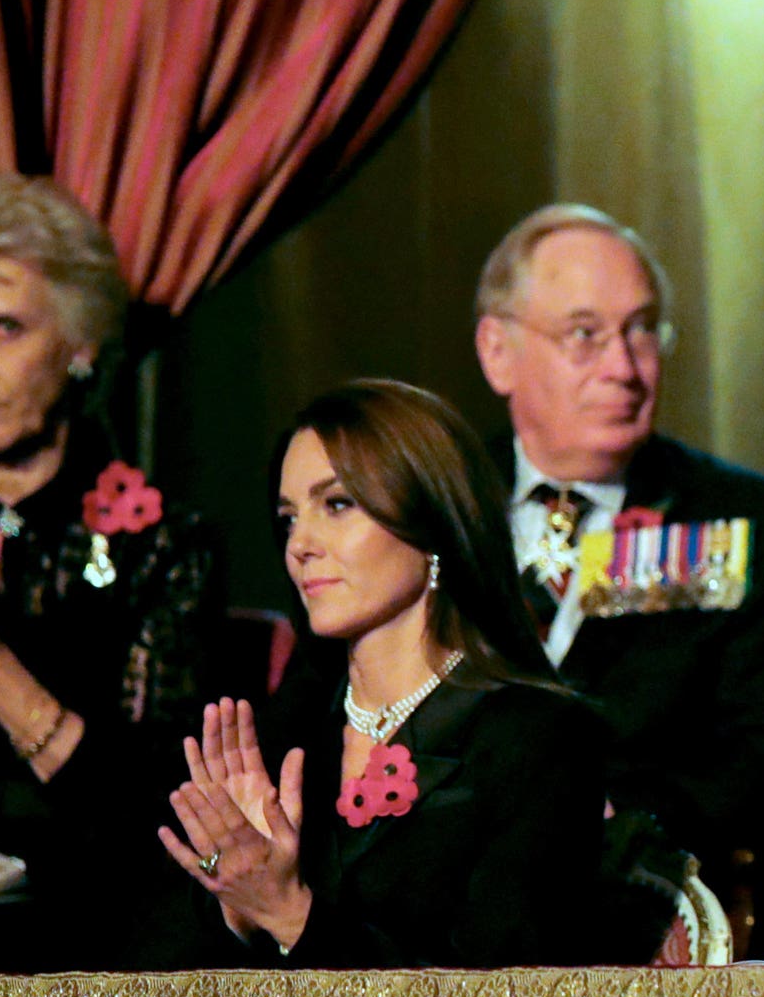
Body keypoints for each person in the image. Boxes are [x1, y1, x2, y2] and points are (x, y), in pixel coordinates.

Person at [160, 380, 606, 967]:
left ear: (431, 520)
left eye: (337, 504)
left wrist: (291, 914)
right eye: (289, 517)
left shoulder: (539, 738)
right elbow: (171, 983)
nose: (300, 544)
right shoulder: (285, 734)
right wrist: (237, 907)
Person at [473, 203, 764, 895]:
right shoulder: (431, 515)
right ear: (498, 352)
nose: (623, 367)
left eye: (642, 330)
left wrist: (612, 820)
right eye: (584, 335)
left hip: (656, 902)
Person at [0, 172, 223, 970]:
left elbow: (147, 823)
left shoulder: (163, 548)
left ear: (80, 344)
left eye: (5, 329)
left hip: (82, 940)